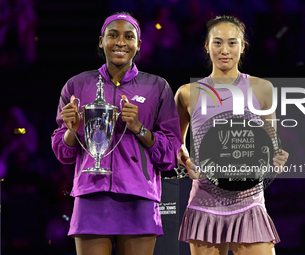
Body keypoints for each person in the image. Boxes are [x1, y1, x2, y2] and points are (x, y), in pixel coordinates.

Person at [51, 12, 181, 255]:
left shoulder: (157, 86)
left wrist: (140, 129)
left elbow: (170, 155)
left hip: (139, 197)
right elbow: (63, 153)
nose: (120, 42)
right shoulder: (76, 85)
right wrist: (72, 130)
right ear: (101, 41)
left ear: (138, 45)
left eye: (128, 36)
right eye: (113, 35)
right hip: (91, 195)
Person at [175, 15, 289, 255]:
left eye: (232, 42)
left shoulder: (262, 89)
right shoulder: (187, 93)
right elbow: (177, 143)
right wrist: (187, 162)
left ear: (242, 46)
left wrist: (276, 159)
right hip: (205, 203)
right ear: (207, 46)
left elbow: (272, 144)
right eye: (217, 42)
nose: (224, 50)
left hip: (249, 202)